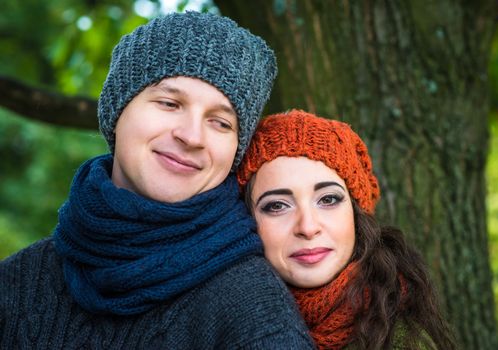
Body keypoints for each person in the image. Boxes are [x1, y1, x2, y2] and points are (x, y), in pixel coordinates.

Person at [0, 13, 315, 349]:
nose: (192, 136)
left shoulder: (256, 316)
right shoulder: (16, 284)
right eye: (169, 103)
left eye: (221, 122)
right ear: (117, 110)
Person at [237, 109, 456, 350]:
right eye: (277, 206)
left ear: (356, 213)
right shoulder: (223, 320)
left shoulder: (403, 339)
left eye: (328, 199)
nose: (308, 228)